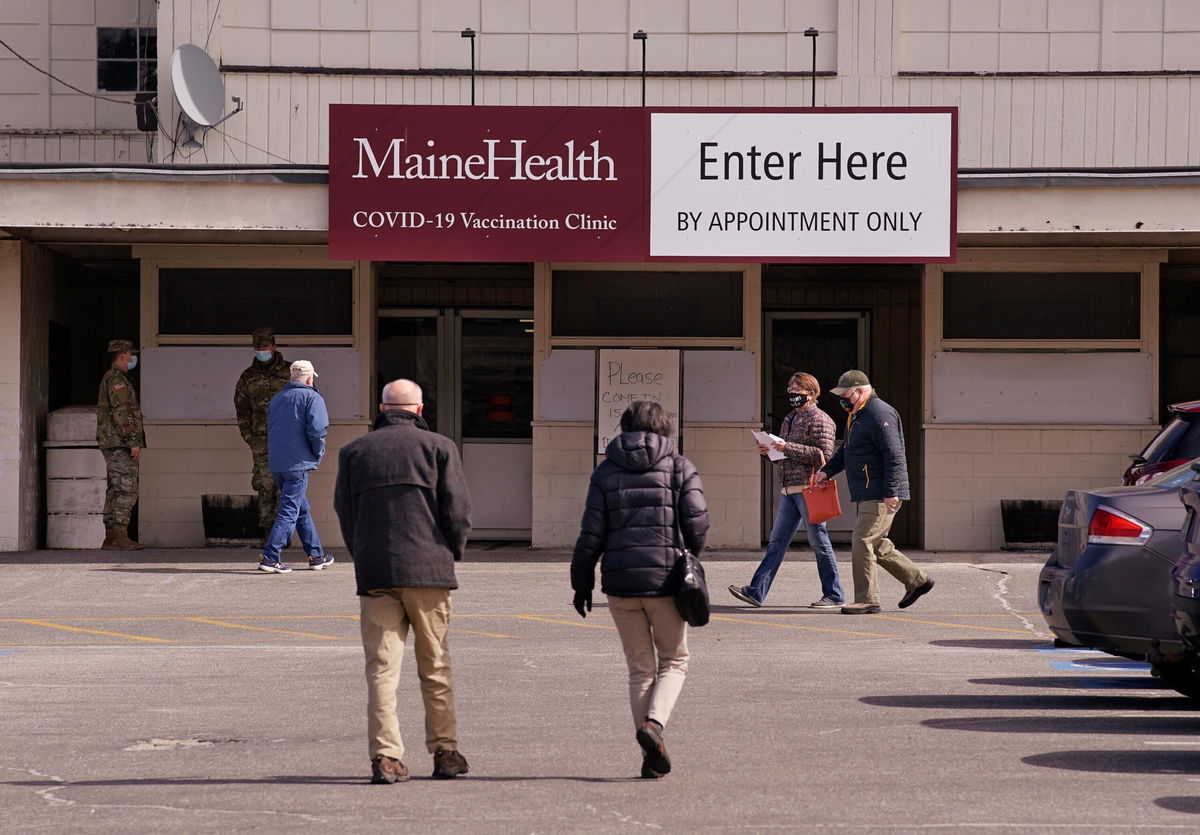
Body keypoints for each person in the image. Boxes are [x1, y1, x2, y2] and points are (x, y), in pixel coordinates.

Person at [333, 379, 472, 784]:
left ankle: (386, 756)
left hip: (377, 572)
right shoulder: (440, 447)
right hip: (429, 573)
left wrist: (364, 556)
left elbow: (345, 512)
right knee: (436, 665)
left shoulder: (354, 452)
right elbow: (458, 511)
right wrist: (450, 553)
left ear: (381, 407)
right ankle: (445, 751)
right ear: (419, 408)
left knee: (381, 669)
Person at [571, 400, 709, 779]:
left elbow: (590, 534)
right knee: (675, 660)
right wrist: (688, 559)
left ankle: (651, 754)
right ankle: (655, 725)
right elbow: (697, 523)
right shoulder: (680, 467)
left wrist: (581, 582)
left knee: (640, 669)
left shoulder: (605, 470)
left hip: (620, 583)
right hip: (665, 582)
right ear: (665, 427)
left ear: (625, 428)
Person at [815, 370, 934, 615]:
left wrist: (891, 492)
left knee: (862, 541)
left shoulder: (879, 413)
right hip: (870, 490)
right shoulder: (858, 415)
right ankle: (917, 580)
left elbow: (894, 455)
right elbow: (847, 451)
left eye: (845, 395)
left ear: (859, 391)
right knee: (876, 544)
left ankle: (867, 599)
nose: (842, 400)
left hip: (880, 492)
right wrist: (827, 470)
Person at [729, 372, 845, 608]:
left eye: (797, 391)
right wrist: (770, 452)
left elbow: (823, 456)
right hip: (789, 489)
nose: (792, 395)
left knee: (818, 542)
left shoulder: (821, 419)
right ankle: (756, 592)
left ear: (811, 394)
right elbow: (785, 454)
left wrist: (786, 446)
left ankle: (834, 594)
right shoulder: (790, 418)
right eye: (790, 390)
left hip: (809, 488)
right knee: (776, 542)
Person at [258, 359, 332, 573]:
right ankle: (271, 557)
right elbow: (318, 431)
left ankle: (316, 556)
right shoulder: (312, 397)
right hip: (297, 463)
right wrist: (317, 454)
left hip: (278, 463)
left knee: (301, 509)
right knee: (290, 509)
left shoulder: (277, 398)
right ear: (310, 378)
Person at [234, 327, 291, 541]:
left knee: (286, 487)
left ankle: (283, 534)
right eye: (258, 347)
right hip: (262, 442)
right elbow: (242, 410)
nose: (261, 350)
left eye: (265, 346)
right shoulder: (248, 376)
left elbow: (306, 401)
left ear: (274, 347)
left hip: (287, 441)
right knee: (265, 485)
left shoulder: (290, 372)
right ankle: (268, 533)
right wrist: (250, 438)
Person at [96, 339, 145, 550]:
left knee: (115, 488)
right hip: (119, 442)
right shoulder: (118, 380)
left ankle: (111, 537)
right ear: (123, 355)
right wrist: (133, 441)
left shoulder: (111, 378)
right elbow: (122, 412)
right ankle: (120, 535)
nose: (133, 358)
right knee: (126, 488)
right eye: (131, 354)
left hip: (112, 441)